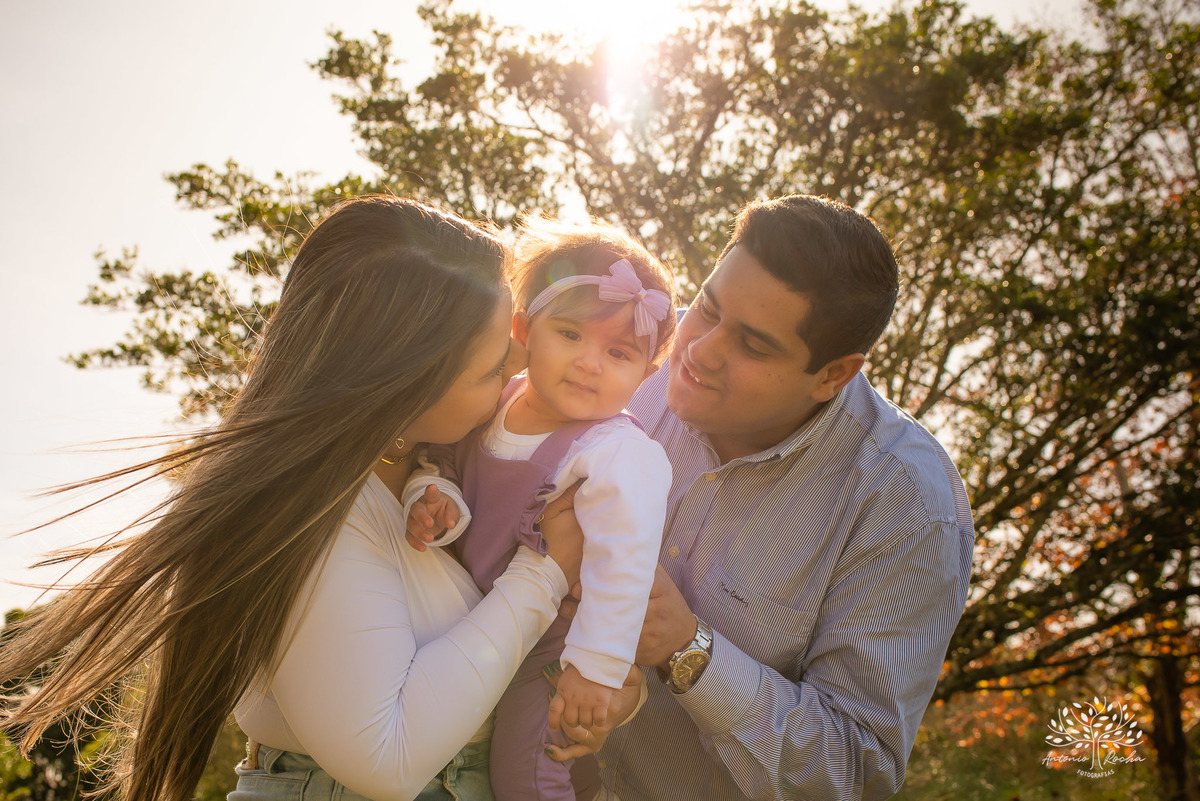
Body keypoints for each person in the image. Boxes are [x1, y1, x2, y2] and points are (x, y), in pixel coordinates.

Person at [0, 196, 597, 801]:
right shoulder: (319, 516)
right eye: (495, 367)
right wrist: (542, 570)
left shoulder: (431, 477)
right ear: (403, 385)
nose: (524, 366)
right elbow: (385, 757)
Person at [552, 195, 975, 801]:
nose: (699, 350)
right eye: (708, 307)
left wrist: (686, 649)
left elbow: (854, 775)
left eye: (753, 346)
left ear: (835, 374)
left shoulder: (909, 506)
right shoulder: (626, 354)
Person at [402, 220, 677, 801]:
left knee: (527, 769)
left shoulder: (617, 452)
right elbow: (441, 457)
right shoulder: (492, 399)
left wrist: (595, 666)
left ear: (646, 374)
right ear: (524, 331)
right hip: (476, 615)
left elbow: (623, 561)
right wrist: (434, 495)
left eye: (619, 352)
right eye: (571, 334)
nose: (590, 362)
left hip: (552, 644)